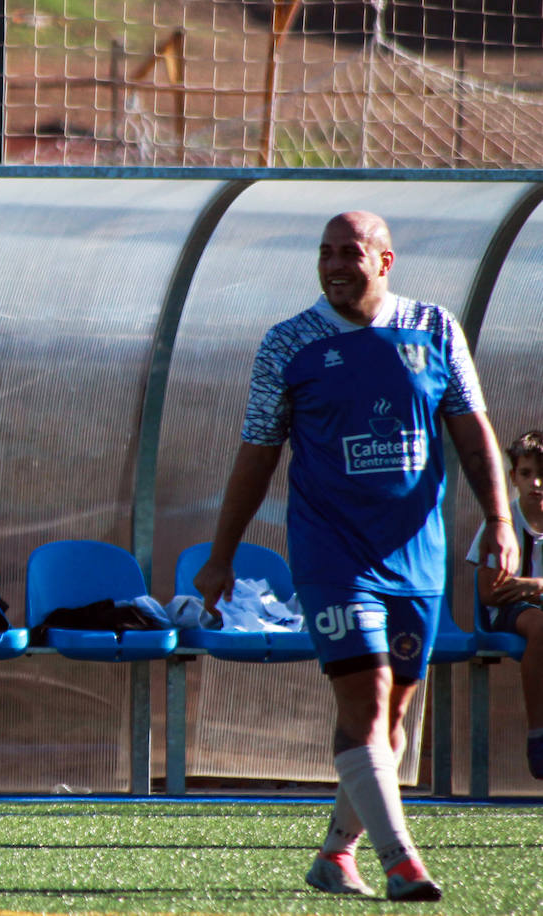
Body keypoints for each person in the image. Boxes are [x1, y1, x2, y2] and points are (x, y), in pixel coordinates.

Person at [194, 211, 517, 902]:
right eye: (325, 253)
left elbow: (471, 429)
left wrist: (499, 521)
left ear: (385, 260)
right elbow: (256, 452)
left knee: (393, 712)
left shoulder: (433, 329)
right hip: (331, 553)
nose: (336, 265)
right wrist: (221, 555)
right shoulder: (289, 343)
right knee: (366, 701)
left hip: (416, 552)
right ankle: (404, 863)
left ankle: (335, 855)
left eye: (350, 252)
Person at [466, 429, 543, 779]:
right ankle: (538, 734)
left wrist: (533, 586)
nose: (536, 483)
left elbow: (524, 587)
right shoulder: (500, 523)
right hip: (510, 614)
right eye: (526, 474)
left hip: (529, 600)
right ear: (512, 478)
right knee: (539, 626)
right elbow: (489, 593)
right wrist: (527, 593)